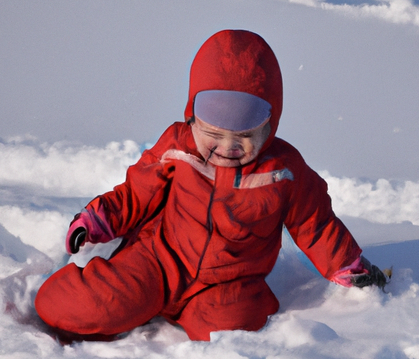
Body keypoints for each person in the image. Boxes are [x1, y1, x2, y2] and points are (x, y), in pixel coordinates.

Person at [35, 29, 388, 342]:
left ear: (270, 126)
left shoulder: (284, 171)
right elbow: (136, 193)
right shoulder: (178, 145)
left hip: (228, 281)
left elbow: (316, 223)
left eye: (245, 136)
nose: (228, 147)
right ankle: (95, 293)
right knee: (92, 306)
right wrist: (98, 219)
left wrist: (347, 265)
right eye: (213, 134)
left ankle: (187, 312)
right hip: (158, 260)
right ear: (193, 117)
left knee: (232, 324)